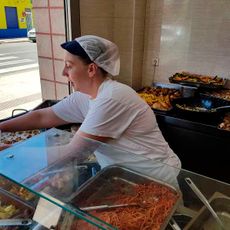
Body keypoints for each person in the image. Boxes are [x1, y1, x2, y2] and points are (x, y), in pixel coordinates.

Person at [0, 35, 181, 182]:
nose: (64, 73)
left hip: (154, 179)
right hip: (125, 177)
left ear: (92, 69)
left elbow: (73, 154)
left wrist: (11, 151)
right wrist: (1, 127)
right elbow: (43, 117)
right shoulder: (85, 96)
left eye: (69, 66)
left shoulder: (112, 98)